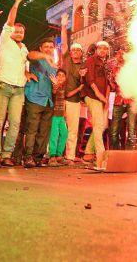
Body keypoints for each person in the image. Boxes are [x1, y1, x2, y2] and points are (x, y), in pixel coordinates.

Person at [0, 0, 29, 167]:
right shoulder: (5, 39)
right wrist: (17, 3)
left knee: (14, 123)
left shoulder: (25, 49)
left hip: (19, 89)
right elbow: (10, 22)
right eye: (17, 30)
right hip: (2, 86)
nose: (19, 32)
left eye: (22, 31)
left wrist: (28, 74)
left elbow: (26, 66)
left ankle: (7, 154)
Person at [23, 38, 58, 168]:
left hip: (48, 101)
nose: (49, 49)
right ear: (41, 48)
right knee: (32, 130)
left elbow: (54, 86)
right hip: (34, 98)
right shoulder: (37, 58)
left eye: (51, 47)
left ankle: (37, 158)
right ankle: (28, 157)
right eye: (46, 47)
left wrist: (56, 86)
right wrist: (45, 56)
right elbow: (29, 55)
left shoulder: (54, 65)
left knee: (44, 132)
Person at [59, 13, 86, 162]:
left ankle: (69, 155)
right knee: (57, 128)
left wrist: (83, 76)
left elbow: (84, 85)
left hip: (75, 101)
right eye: (73, 50)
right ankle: (55, 154)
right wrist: (64, 25)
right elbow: (64, 43)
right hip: (60, 98)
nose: (75, 52)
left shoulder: (84, 66)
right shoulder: (66, 59)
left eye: (78, 50)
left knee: (73, 129)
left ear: (81, 53)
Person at [82, 40, 111, 169]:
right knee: (99, 125)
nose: (103, 51)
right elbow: (90, 79)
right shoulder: (91, 60)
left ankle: (88, 153)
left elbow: (109, 83)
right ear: (96, 49)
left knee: (101, 125)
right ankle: (101, 155)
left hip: (102, 99)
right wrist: (99, 94)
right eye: (100, 48)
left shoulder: (106, 64)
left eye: (105, 49)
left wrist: (106, 99)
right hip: (92, 96)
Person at [108, 49, 137, 150]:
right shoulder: (114, 69)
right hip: (118, 100)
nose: (120, 56)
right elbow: (112, 84)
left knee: (132, 129)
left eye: (122, 54)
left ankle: (130, 154)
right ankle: (114, 153)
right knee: (114, 130)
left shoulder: (132, 69)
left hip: (131, 100)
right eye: (118, 54)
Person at [48, 69, 69, 166]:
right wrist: (55, 86)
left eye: (63, 75)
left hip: (61, 115)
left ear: (65, 78)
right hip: (54, 115)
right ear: (55, 77)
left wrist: (64, 113)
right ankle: (52, 156)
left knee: (64, 133)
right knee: (54, 135)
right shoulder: (54, 86)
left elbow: (63, 101)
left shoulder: (64, 88)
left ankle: (59, 155)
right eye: (58, 75)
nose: (60, 77)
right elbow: (53, 92)